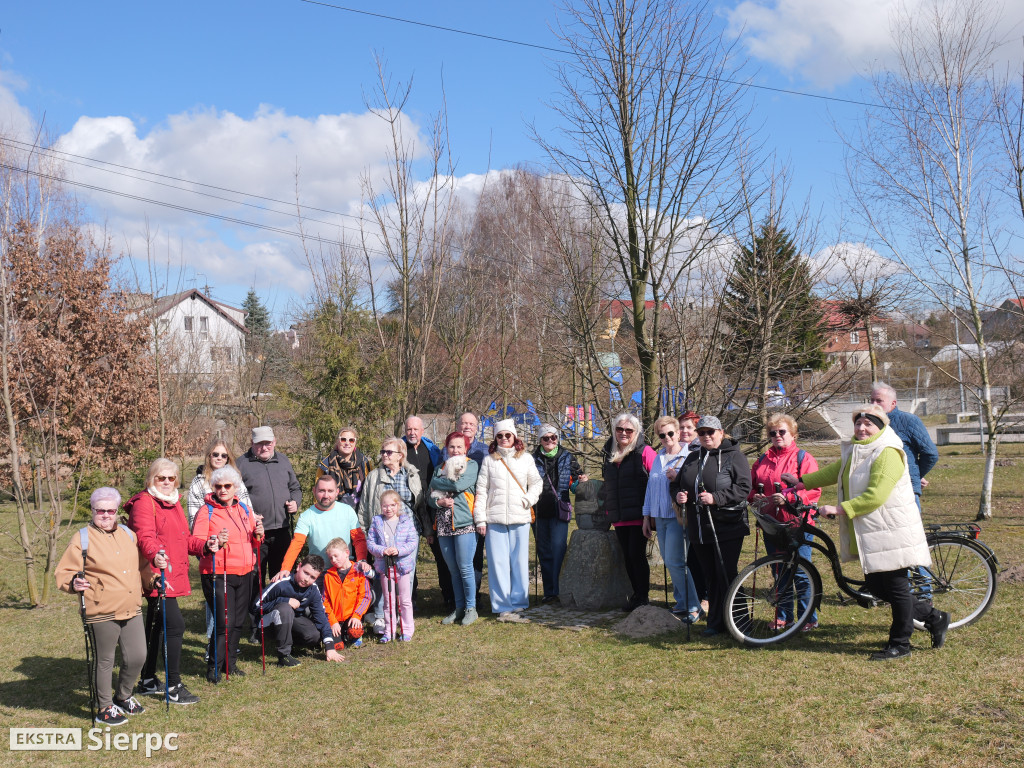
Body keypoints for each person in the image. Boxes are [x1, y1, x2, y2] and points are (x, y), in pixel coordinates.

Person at [782, 405, 950, 660]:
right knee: (877, 587)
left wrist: (839, 509)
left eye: (868, 424)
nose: (861, 428)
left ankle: (900, 644)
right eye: (858, 423)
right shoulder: (859, 449)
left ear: (881, 427)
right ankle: (935, 617)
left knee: (896, 589)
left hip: (892, 531)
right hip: (874, 531)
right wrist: (802, 482)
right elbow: (836, 471)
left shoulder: (888, 452)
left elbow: (876, 496)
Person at [57, 488, 160, 725]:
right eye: (100, 510)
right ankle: (104, 707)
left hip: (131, 606)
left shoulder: (127, 534)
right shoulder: (82, 538)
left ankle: (123, 697)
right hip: (100, 609)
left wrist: (152, 580)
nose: (105, 515)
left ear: (116, 511)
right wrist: (74, 582)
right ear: (93, 511)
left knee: (137, 656)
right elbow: (64, 571)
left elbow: (142, 565)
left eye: (110, 510)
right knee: (104, 660)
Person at [126, 458, 207, 705]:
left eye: (172, 478)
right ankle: (173, 686)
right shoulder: (144, 503)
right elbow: (145, 536)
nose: (167, 482)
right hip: (157, 575)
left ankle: (148, 679)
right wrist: (156, 554)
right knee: (175, 626)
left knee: (155, 627)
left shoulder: (174, 503)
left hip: (171, 572)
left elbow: (185, 539)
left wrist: (207, 545)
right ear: (151, 479)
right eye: (161, 478)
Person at [672, 415, 751, 636]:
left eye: (710, 432)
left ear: (721, 433)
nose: (706, 436)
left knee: (726, 573)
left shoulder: (735, 457)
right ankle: (716, 622)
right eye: (702, 433)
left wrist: (717, 498)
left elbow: (744, 487)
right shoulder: (692, 458)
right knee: (710, 575)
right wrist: (678, 495)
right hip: (698, 527)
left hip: (727, 525)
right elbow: (676, 484)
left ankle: (740, 622)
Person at [749, 413, 821, 630]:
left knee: (800, 571)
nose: (777, 436)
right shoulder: (762, 459)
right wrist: (754, 497)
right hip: (772, 524)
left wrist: (789, 498)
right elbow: (750, 488)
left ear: (793, 434)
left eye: (782, 432)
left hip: (797, 524)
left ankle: (808, 618)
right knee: (779, 571)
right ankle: (784, 616)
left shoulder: (803, 458)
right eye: (773, 433)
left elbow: (813, 490)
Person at [191, 465, 263, 682]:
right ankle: (214, 666)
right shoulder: (207, 510)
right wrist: (213, 542)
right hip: (217, 573)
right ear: (213, 487)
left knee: (238, 621)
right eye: (218, 486)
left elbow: (254, 540)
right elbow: (195, 542)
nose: (222, 490)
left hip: (245, 571)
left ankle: (229, 665)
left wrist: (259, 534)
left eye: (227, 486)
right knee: (224, 622)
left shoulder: (244, 509)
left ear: (235, 487)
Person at [475, 419, 542, 623]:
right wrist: (480, 519)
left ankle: (519, 602)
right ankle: (502, 605)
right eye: (500, 435)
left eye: (508, 435)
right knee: (498, 563)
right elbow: (481, 491)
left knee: (519, 562)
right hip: (494, 518)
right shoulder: (489, 460)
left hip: (519, 517)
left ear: (515, 437)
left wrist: (528, 500)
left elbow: (537, 483)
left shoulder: (526, 459)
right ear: (495, 438)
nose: (504, 439)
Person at [642, 415, 701, 622]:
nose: (666, 437)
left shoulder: (689, 456)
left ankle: (693, 605)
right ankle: (682, 602)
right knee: (669, 560)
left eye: (670, 433)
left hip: (678, 516)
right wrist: (646, 516)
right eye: (662, 434)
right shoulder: (658, 458)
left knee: (677, 561)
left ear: (678, 433)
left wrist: (679, 478)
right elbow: (650, 489)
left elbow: (695, 484)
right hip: (659, 516)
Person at [601, 412, 657, 611]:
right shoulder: (609, 452)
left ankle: (642, 596)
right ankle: (636, 595)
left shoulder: (645, 452)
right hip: (619, 515)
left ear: (636, 432)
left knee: (637, 555)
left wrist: (649, 515)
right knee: (627, 556)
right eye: (619, 429)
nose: (624, 433)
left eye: (628, 430)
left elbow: (656, 480)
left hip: (640, 515)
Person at [236, 426, 302, 586]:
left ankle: (279, 608)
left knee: (281, 574)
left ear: (274, 442)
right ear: (252, 443)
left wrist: (295, 502)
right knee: (255, 575)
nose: (264, 448)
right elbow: (234, 497)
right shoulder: (241, 464)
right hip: (254, 531)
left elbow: (295, 487)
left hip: (282, 529)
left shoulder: (283, 460)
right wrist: (249, 514)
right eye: (259, 444)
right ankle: (255, 608)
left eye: (268, 443)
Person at [428, 431, 482, 626]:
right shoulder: (439, 468)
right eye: (452, 446)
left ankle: (471, 608)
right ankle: (458, 608)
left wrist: (437, 482)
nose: (455, 450)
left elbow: (460, 484)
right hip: (443, 524)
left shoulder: (471, 464)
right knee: (453, 569)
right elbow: (430, 496)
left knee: (465, 567)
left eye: (459, 446)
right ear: (446, 448)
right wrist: (439, 501)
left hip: (464, 522)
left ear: (466, 448)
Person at [256, 554, 345, 666]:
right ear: (299, 567)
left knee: (314, 635)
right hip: (267, 625)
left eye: (312, 577)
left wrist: (330, 647)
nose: (307, 579)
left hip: (291, 620)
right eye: (306, 573)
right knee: (285, 608)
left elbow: (321, 617)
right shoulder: (281, 583)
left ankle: (288, 643)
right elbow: (256, 606)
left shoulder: (313, 589)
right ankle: (284, 656)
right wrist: (284, 600)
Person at [531, 423, 587, 603]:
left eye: (553, 437)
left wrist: (581, 482)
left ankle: (560, 588)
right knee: (543, 551)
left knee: (558, 548)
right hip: (538, 511)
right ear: (540, 440)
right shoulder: (531, 459)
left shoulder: (566, 457)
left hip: (559, 510)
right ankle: (549, 592)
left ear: (557, 439)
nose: (550, 441)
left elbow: (575, 484)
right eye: (546, 438)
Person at [272, 474, 361, 583]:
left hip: (345, 570)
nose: (326, 495)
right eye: (322, 491)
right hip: (318, 573)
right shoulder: (307, 516)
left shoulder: (347, 511)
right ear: (314, 491)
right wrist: (285, 568)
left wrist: (362, 561)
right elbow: (297, 543)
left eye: (330, 491)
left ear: (337, 492)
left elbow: (359, 539)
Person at [404, 415, 453, 611]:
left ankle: (449, 596)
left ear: (422, 431)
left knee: (442, 555)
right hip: (410, 509)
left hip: (433, 506)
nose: (412, 433)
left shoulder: (432, 449)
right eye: (409, 429)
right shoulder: (400, 450)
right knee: (408, 557)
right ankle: (410, 600)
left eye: (416, 429)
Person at [869, 382, 939, 509]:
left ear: (893, 403)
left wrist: (915, 475)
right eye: (871, 400)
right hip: (874, 492)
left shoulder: (909, 421)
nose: (874, 404)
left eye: (879, 401)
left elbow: (930, 454)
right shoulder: (866, 424)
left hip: (905, 492)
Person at [366, 490, 419, 642]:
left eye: (392, 505)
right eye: (385, 506)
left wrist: (399, 550)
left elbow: (412, 541)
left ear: (398, 505)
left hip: (402, 566)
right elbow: (370, 543)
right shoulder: (377, 522)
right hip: (385, 566)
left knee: (404, 599)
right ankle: (388, 631)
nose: (388, 509)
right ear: (381, 506)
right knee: (389, 600)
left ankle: (407, 629)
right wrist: (382, 551)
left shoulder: (406, 521)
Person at [321, 537, 374, 648]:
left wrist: (357, 615)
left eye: (336, 556)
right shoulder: (328, 576)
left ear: (346, 553)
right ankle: (342, 635)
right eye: (331, 558)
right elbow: (325, 601)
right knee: (338, 646)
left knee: (355, 631)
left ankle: (354, 634)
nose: (333, 560)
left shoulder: (358, 572)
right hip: (336, 619)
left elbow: (365, 596)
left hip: (352, 616)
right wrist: (332, 621)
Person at [186, 439, 252, 526]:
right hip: (211, 532)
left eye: (224, 455)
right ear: (209, 456)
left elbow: (247, 507)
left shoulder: (236, 479)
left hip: (237, 528)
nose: (219, 458)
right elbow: (194, 517)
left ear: (228, 459)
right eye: (215, 454)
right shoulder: (199, 482)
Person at [318, 427, 374, 506]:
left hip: (359, 512)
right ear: (338, 441)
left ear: (355, 443)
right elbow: (318, 493)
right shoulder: (326, 464)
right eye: (343, 439)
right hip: (333, 511)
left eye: (351, 440)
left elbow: (370, 491)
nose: (347, 443)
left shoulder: (364, 463)